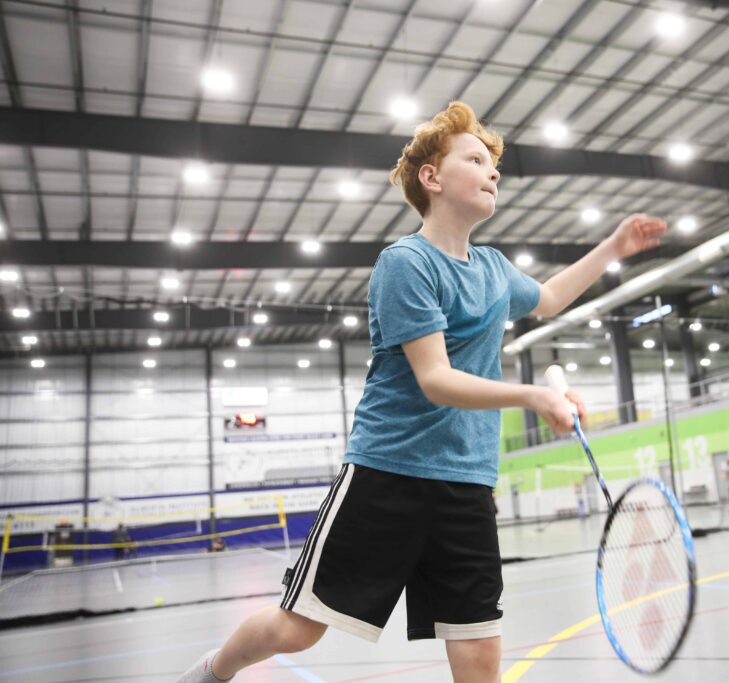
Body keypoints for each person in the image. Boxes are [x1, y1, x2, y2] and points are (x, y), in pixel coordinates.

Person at [178, 101, 665, 683]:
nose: (493, 173)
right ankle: (214, 671)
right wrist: (533, 396)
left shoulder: (492, 268)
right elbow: (435, 380)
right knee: (298, 629)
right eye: (477, 160)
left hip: (468, 482)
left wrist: (612, 247)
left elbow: (551, 298)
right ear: (432, 178)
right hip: (389, 474)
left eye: (494, 166)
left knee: (479, 645)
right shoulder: (406, 264)